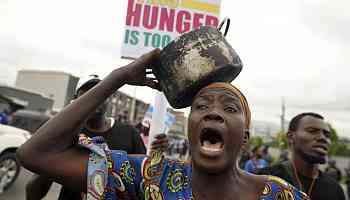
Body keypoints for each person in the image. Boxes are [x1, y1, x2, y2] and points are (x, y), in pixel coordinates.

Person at [17, 49, 309, 200]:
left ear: (245, 138)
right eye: (201, 106)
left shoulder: (279, 194)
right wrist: (117, 78)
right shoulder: (150, 177)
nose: (213, 113)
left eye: (229, 108)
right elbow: (36, 154)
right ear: (189, 129)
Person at [25, 75, 146, 200]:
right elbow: (33, 194)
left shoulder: (130, 134)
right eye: (87, 94)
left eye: (100, 92)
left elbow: (144, 178)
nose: (94, 98)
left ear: (108, 98)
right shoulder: (66, 135)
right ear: (76, 100)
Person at [257, 112, 346, 200]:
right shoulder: (263, 180)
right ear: (291, 137)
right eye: (312, 131)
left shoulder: (335, 189)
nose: (323, 138)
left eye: (327, 135)